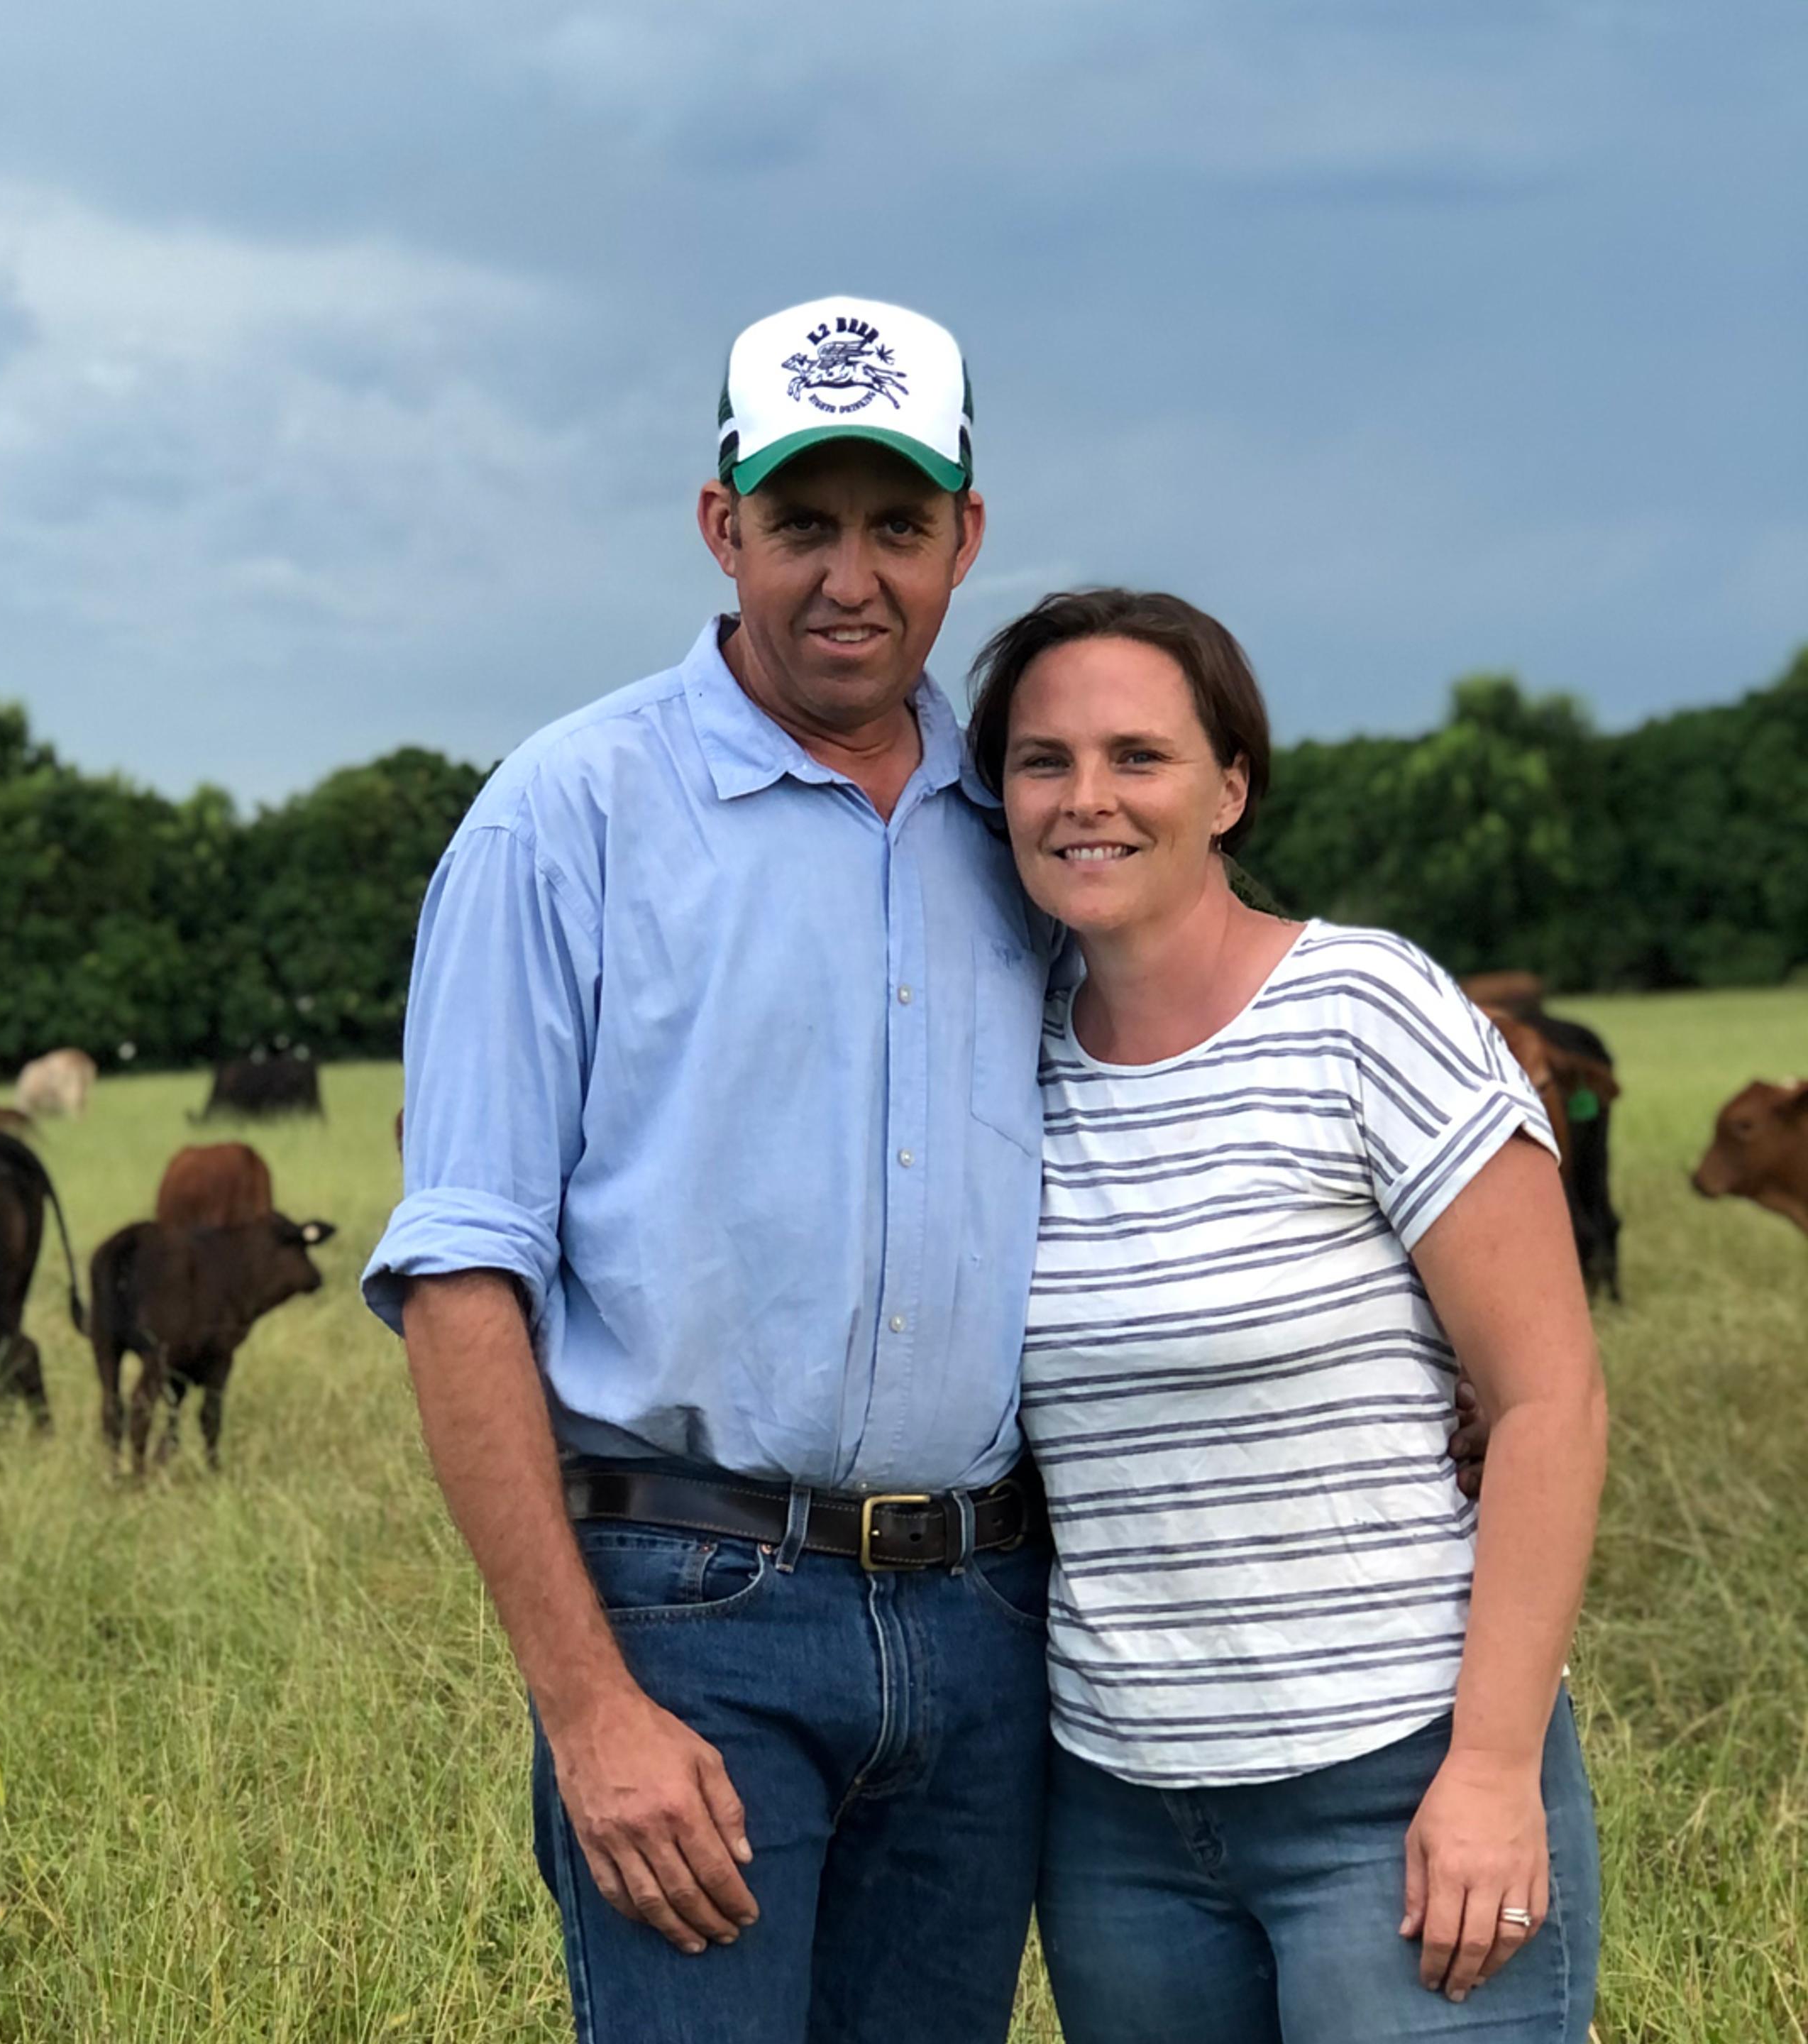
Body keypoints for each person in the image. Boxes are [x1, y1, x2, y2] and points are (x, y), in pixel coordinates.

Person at [363, 297, 1059, 2042]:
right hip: (695, 1620)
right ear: (718, 522)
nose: (850, 577)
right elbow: (460, 1284)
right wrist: (591, 1709)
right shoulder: (568, 814)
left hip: (986, 1620)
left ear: (966, 536)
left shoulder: (1037, 834)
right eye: (802, 523)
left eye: (898, 527)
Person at [965, 588, 1605, 2040]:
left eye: (1140, 755)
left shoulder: (1367, 1010)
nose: (1087, 800)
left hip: (1397, 1784)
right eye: (1041, 760)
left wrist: (1495, 1768)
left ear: (1231, 785)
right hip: (1121, 1821)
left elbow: (1548, 1403)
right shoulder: (1003, 1067)